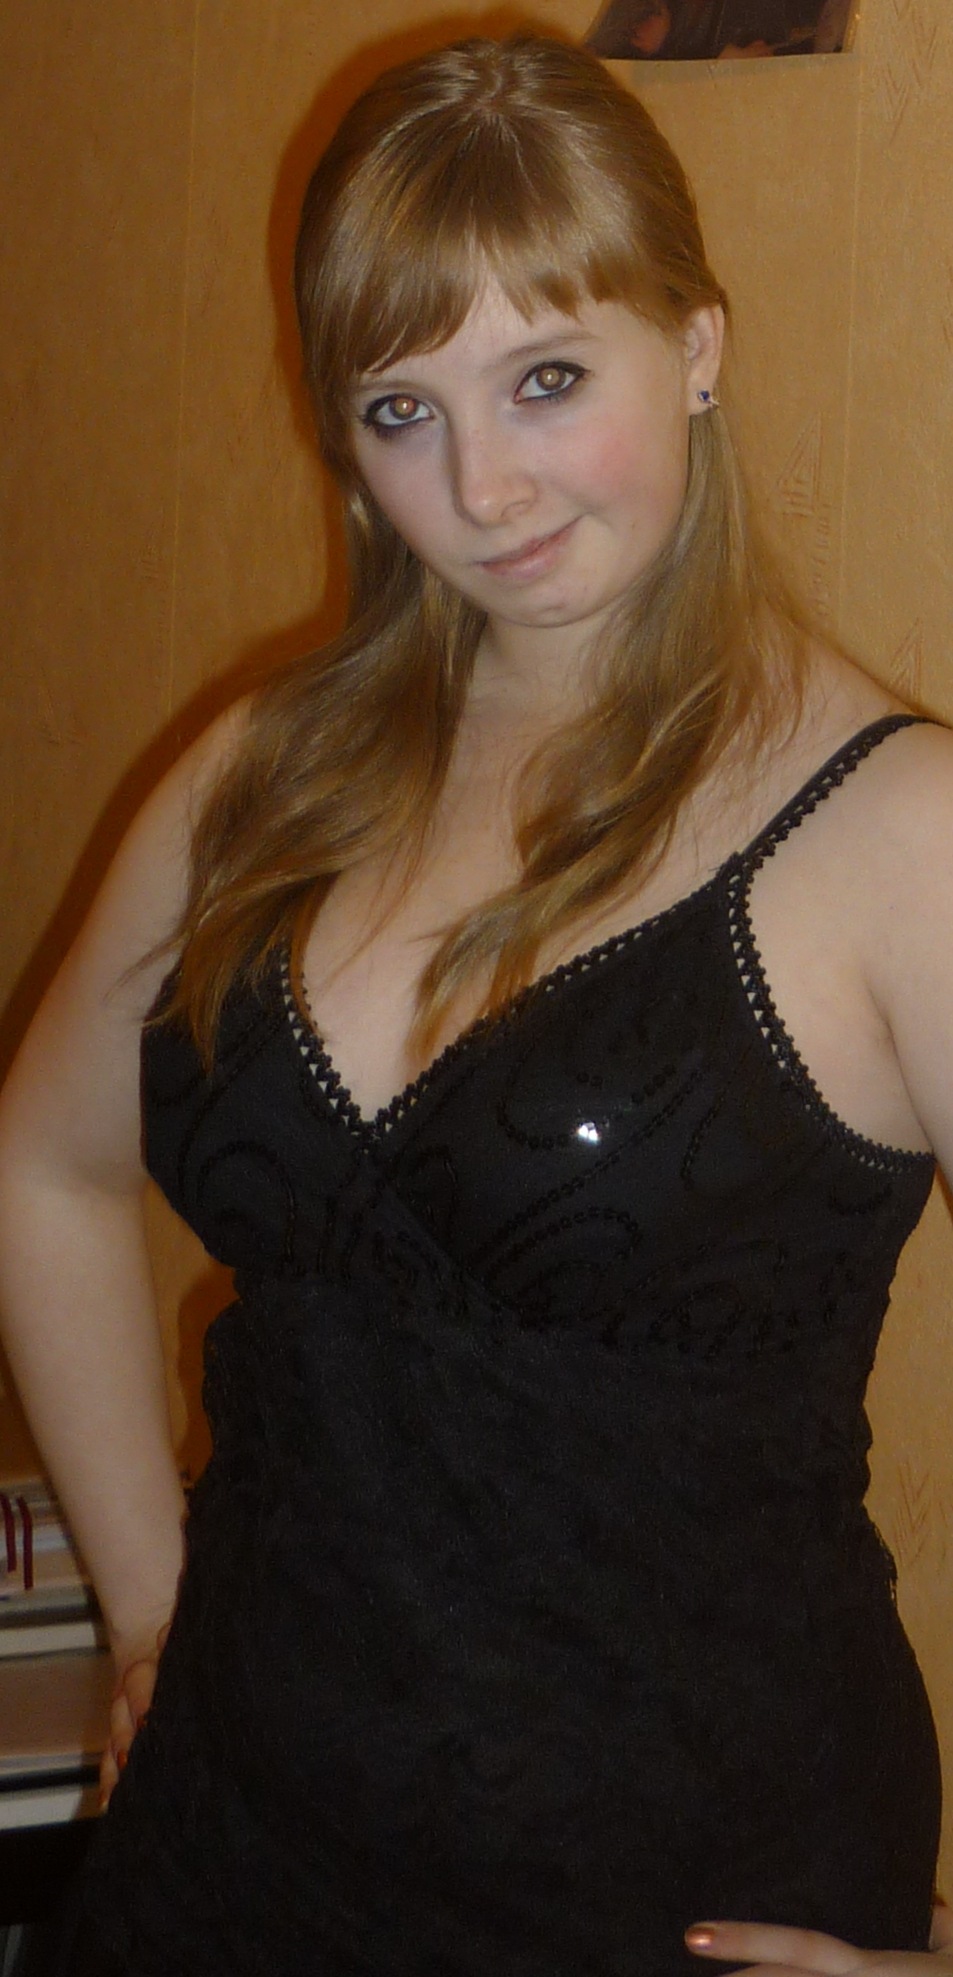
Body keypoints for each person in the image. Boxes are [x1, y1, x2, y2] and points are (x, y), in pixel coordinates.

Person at [0, 31, 950, 1977]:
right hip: (232, 1852)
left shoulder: (899, 831)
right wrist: (155, 1605)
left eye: (545, 378)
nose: (482, 485)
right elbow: (46, 1166)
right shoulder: (261, 770)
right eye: (398, 408)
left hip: (680, 1892)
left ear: (695, 342)